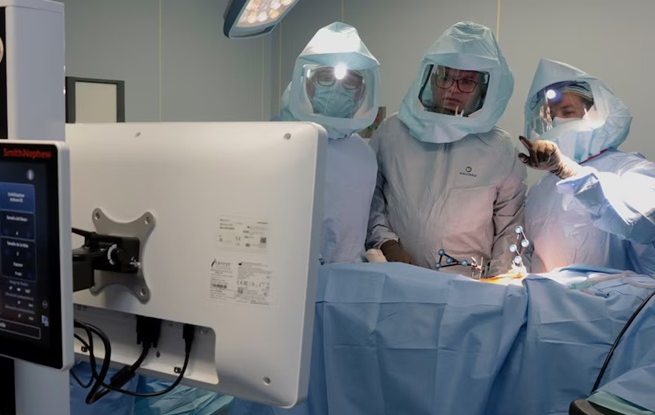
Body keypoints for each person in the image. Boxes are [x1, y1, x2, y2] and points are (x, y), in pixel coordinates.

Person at [366, 22, 526, 277]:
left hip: (467, 286)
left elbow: (510, 228)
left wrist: (498, 282)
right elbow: (370, 198)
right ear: (430, 78)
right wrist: (386, 242)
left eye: (467, 81)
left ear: (485, 89)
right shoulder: (393, 132)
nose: (452, 88)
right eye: (445, 77)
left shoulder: (500, 149)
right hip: (396, 276)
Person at [519, 59, 655, 275]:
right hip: (547, 296)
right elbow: (528, 254)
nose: (557, 121)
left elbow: (643, 224)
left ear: (598, 112)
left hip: (616, 297)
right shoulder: (539, 191)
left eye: (567, 112)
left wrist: (571, 173)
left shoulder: (632, 169)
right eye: (551, 117)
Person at [279, 22, 380, 264]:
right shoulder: (278, 140)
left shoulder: (363, 154)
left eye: (350, 80)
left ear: (361, 92)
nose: (337, 87)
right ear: (307, 83)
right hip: (289, 272)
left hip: (347, 276)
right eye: (325, 77)